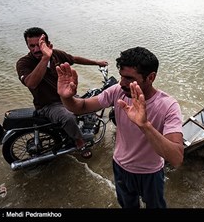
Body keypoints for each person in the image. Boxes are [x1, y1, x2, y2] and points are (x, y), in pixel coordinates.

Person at [56, 46, 184, 208]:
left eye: (129, 78)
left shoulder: (168, 105)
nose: (122, 83)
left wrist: (145, 125)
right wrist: (66, 98)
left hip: (150, 173)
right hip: (121, 167)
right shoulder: (118, 91)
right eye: (121, 76)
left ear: (150, 77)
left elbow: (176, 158)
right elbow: (81, 107)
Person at [16, 27, 108, 158]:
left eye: (39, 45)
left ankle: (83, 128)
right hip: (48, 105)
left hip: (67, 98)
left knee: (91, 102)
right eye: (32, 46)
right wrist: (44, 58)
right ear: (27, 46)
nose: (35, 49)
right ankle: (79, 142)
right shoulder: (24, 63)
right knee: (68, 117)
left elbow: (74, 59)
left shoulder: (56, 55)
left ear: (48, 44)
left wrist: (97, 63)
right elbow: (31, 83)